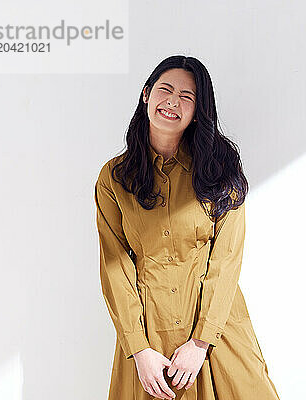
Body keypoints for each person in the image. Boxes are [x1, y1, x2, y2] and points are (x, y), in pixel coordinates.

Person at [94, 55, 280, 400]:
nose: (173, 102)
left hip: (216, 334)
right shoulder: (114, 178)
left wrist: (200, 342)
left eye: (187, 97)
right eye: (165, 89)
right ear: (146, 94)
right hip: (151, 341)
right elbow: (115, 266)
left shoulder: (219, 172)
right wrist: (139, 349)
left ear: (197, 112)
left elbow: (226, 262)